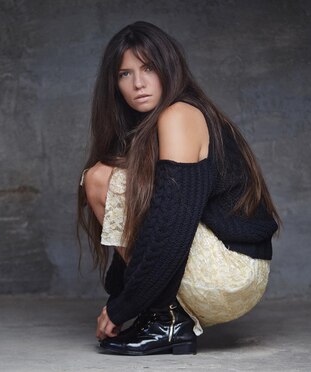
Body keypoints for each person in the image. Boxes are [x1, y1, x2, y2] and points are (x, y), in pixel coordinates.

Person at [77, 21, 281, 356]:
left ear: (168, 68)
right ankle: (166, 318)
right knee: (122, 181)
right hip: (239, 275)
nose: (138, 83)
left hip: (228, 271)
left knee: (100, 178)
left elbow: (171, 226)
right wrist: (125, 297)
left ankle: (166, 320)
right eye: (124, 74)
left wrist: (122, 306)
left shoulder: (179, 114)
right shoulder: (163, 122)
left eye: (148, 68)